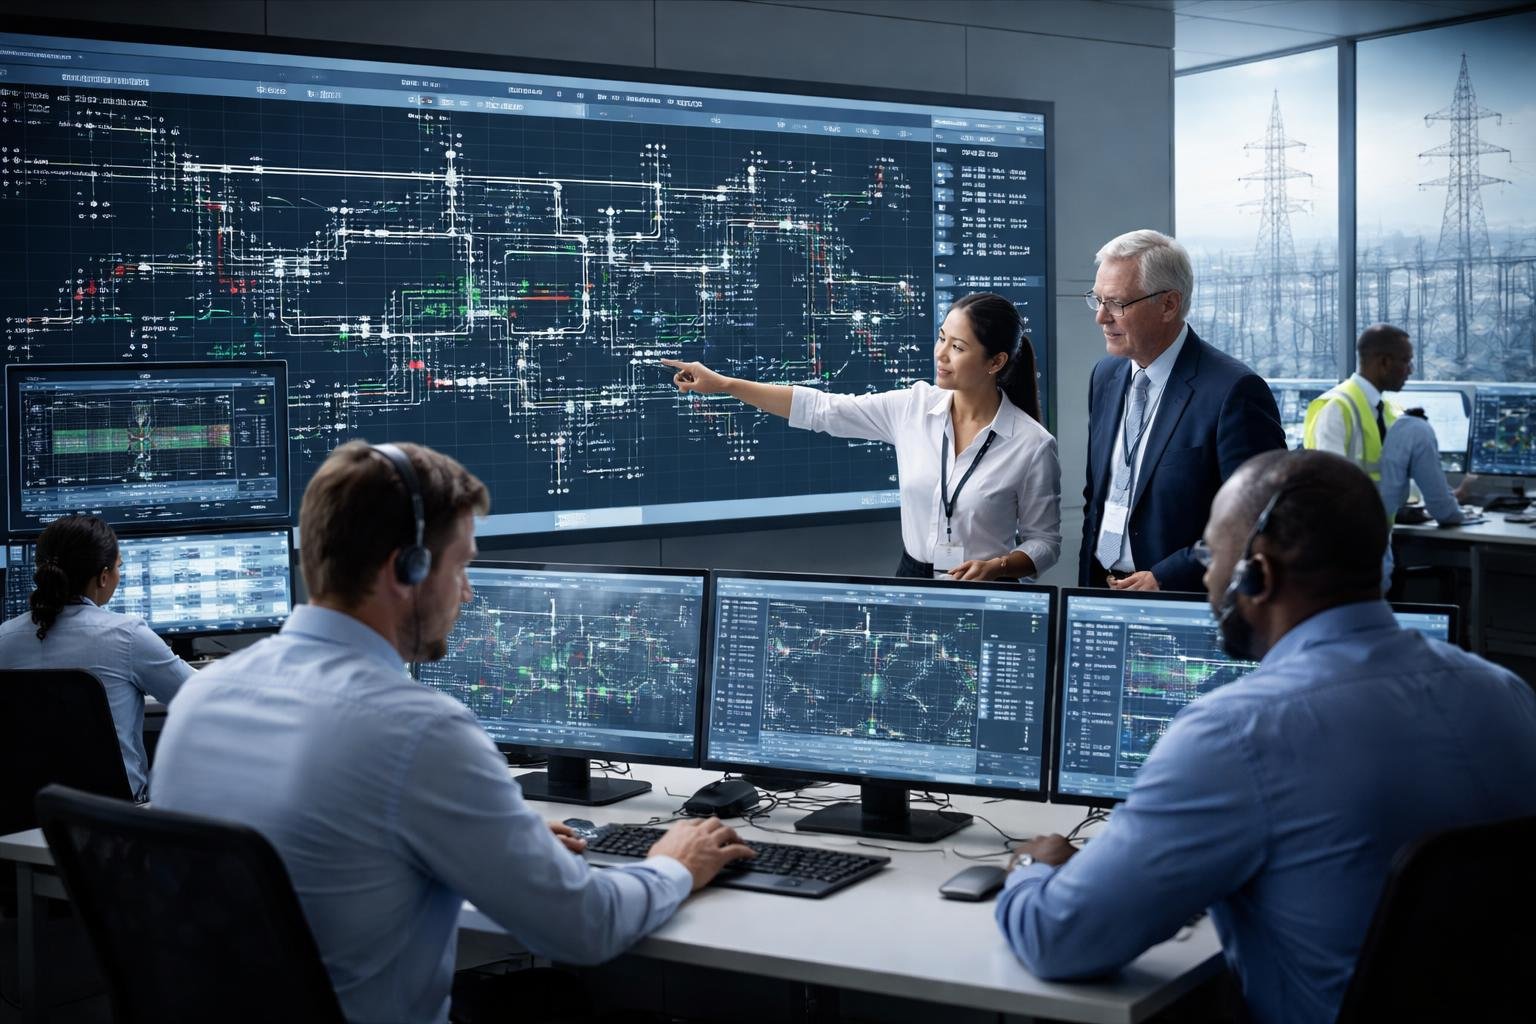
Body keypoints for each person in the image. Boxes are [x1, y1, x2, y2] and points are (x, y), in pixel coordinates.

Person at [151, 442, 755, 1023]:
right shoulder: (417, 730)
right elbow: (585, 929)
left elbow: (328, 851)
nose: (467, 591)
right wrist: (675, 862)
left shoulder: (203, 695)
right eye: (462, 564)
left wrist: (493, 834)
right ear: (405, 570)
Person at [996, 450, 1536, 1024]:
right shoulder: (1507, 695)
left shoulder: (1236, 734)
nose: (1205, 577)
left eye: (1211, 555)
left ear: (1259, 574)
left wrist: (1034, 870)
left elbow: (1058, 939)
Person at [662, 292, 1060, 580]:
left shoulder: (1031, 444)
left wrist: (999, 566)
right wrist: (727, 384)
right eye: (941, 338)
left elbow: (1045, 542)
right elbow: (821, 409)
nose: (940, 354)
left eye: (957, 347)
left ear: (996, 361)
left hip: (987, 588)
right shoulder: (914, 407)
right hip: (912, 577)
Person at [1079, 230, 1284, 592]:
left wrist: (1167, 576)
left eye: (1116, 304)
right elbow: (1097, 498)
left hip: (1181, 601)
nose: (1101, 318)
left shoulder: (1233, 392)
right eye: (1097, 300)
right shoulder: (1105, 376)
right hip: (1101, 593)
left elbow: (1259, 518)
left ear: (1169, 305)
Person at [0, 514, 193, 800]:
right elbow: (200, 696)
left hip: (23, 816)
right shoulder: (127, 635)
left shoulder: (4, 638)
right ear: (103, 577)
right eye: (118, 568)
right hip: (114, 816)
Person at [1303, 323, 1412, 481]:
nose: (1410, 370)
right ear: (1384, 362)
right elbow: (1331, 481)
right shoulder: (1337, 408)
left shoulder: (1386, 409)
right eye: (1405, 361)